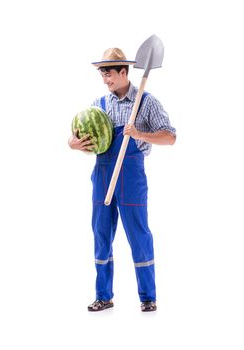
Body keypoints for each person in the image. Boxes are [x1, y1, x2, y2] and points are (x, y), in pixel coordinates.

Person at [68, 48, 175, 312]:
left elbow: (170, 136)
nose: (106, 79)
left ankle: (148, 296)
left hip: (132, 175)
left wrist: (139, 133)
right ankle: (103, 296)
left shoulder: (145, 102)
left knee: (138, 235)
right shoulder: (99, 105)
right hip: (103, 174)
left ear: (124, 72)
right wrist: (73, 144)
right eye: (103, 74)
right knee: (101, 234)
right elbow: (86, 141)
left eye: (110, 74)